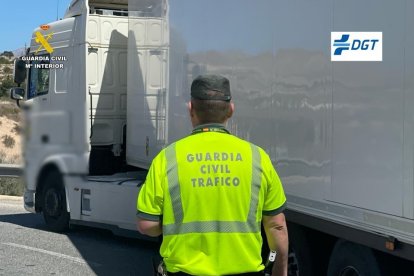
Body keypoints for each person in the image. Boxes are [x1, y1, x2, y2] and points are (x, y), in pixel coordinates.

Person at [136, 74, 288, 276]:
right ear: (230, 110)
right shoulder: (257, 158)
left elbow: (147, 225)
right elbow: (276, 226)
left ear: (191, 109)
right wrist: (278, 267)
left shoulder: (167, 158)